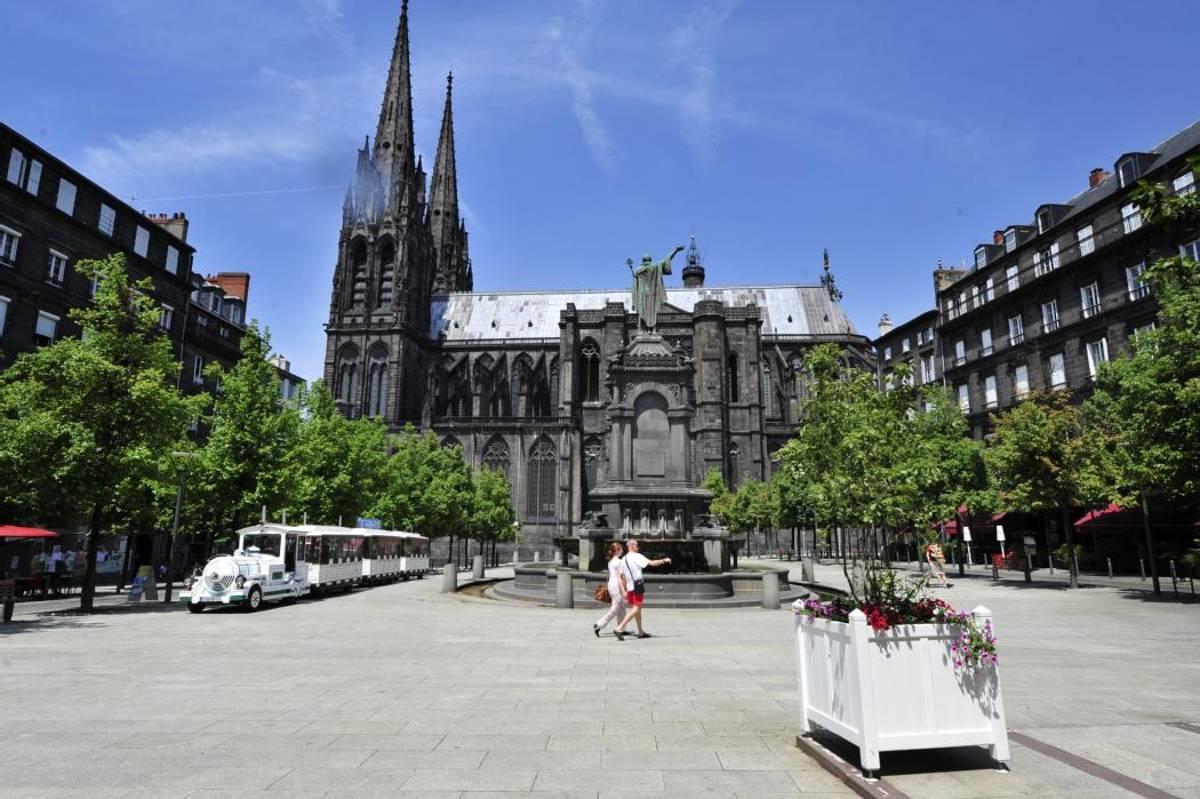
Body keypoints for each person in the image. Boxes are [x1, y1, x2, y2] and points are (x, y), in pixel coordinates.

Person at [613, 539, 671, 641]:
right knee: (635, 609)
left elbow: (621, 576)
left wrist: (624, 590)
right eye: (636, 545)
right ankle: (619, 628)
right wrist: (664, 560)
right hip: (637, 585)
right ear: (631, 545)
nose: (638, 547)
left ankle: (640, 632)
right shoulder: (637, 556)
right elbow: (652, 563)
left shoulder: (624, 559)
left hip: (630, 587)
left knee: (637, 609)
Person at [593, 541, 628, 638]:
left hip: (611, 585)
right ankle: (599, 624)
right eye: (621, 549)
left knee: (621, 607)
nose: (622, 550)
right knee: (616, 608)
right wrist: (624, 589)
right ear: (617, 551)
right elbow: (621, 577)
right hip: (617, 585)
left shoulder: (610, 561)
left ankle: (622, 628)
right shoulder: (619, 562)